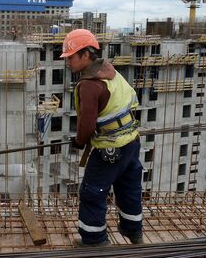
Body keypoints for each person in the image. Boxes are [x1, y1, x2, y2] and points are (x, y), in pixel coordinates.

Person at [60, 28, 144, 247]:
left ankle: (95, 240)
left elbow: (86, 127)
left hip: (109, 149)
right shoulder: (110, 72)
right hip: (131, 142)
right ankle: (134, 233)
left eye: (71, 57)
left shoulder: (89, 85)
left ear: (85, 55)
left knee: (92, 193)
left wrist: (78, 142)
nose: (68, 62)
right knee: (129, 189)